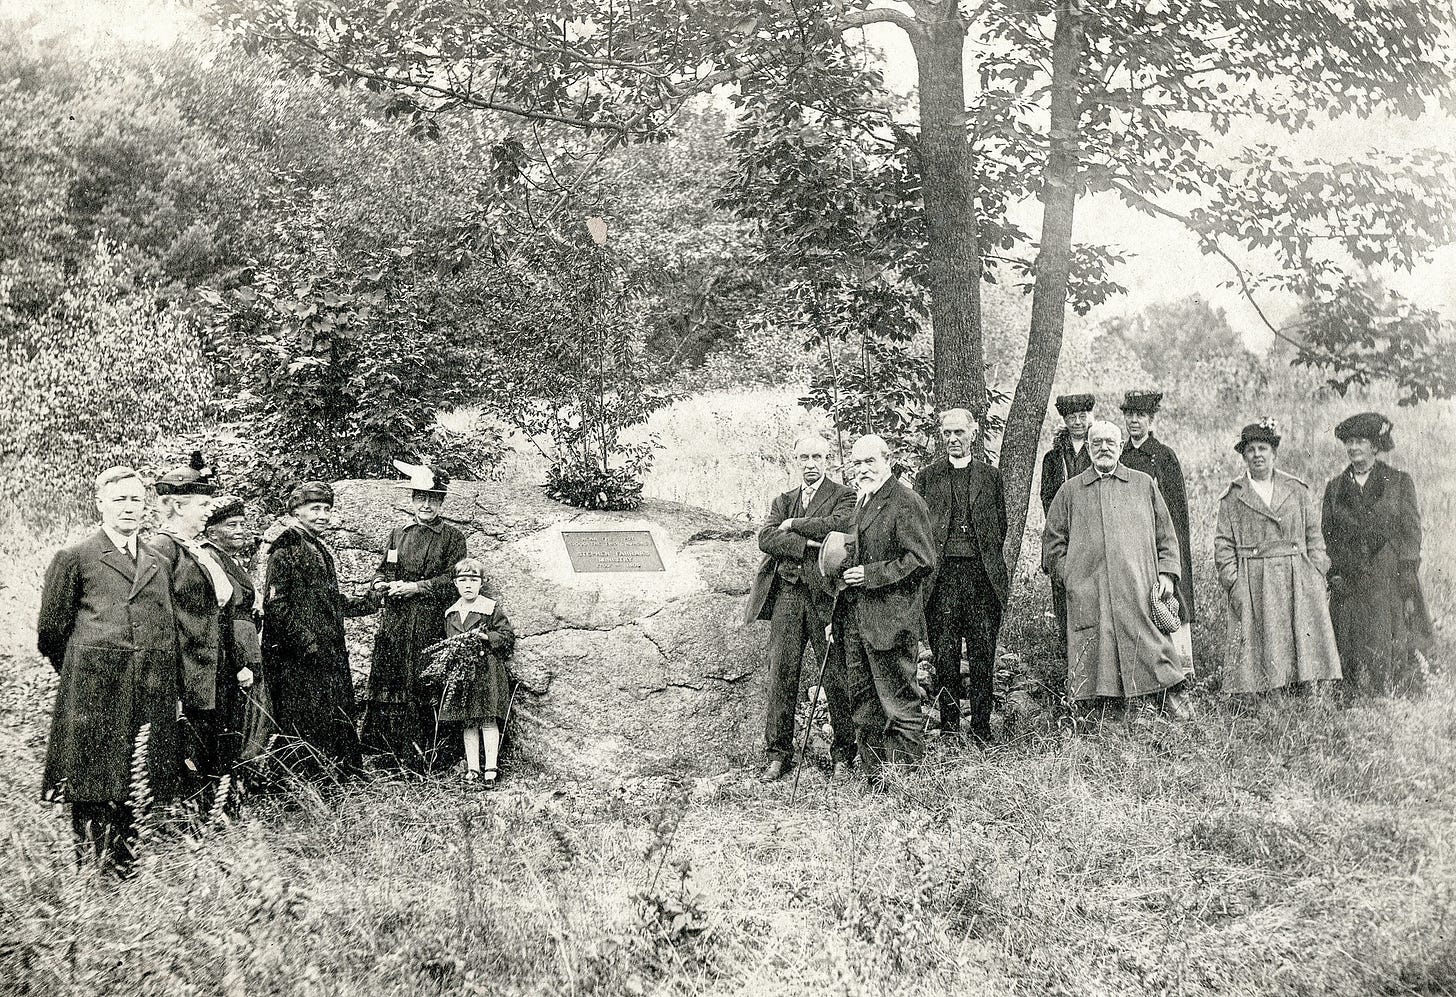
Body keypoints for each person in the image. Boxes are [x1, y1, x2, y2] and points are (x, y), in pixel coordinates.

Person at [37, 466, 183, 874]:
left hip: (147, 685)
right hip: (94, 689)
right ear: (100, 503)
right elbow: (51, 632)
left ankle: (125, 870)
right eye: (119, 500)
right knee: (93, 779)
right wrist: (87, 669)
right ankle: (94, 872)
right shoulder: (76, 557)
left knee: (132, 777)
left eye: (136, 499)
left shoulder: (157, 559)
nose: (129, 508)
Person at [1042, 420, 1191, 718]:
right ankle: (1102, 717)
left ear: (1120, 447)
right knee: (1098, 651)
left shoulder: (1143, 483)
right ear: (1089, 448)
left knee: (1152, 647)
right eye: (1096, 443)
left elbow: (1167, 535)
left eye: (1111, 442)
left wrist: (1166, 574)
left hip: (1137, 588)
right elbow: (1052, 543)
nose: (1104, 448)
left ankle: (1166, 705)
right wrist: (1069, 575)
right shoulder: (1070, 491)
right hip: (1090, 591)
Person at [745, 434, 857, 782]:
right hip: (788, 597)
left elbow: (837, 527)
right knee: (782, 674)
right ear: (796, 461)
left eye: (817, 457)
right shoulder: (783, 499)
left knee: (836, 674)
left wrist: (793, 527)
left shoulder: (845, 495)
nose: (811, 464)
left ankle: (843, 754)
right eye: (804, 457)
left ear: (828, 459)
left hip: (827, 598)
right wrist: (811, 542)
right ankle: (778, 754)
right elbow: (765, 538)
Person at [1213, 420, 1341, 695]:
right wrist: (1234, 581)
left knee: (1301, 637)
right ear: (1244, 455)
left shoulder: (1296, 489)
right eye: (1250, 450)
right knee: (1262, 642)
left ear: (1274, 453)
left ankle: (1306, 692)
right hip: (1254, 577)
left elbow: (1313, 535)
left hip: (1297, 573)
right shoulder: (1233, 497)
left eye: (1263, 448)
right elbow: (1223, 544)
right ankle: (1266, 698)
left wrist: (1317, 571)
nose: (1257, 455)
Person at [836, 434, 935, 778]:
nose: (863, 469)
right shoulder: (863, 502)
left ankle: (905, 781)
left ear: (887, 460)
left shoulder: (905, 501)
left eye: (870, 461)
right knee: (865, 704)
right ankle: (875, 778)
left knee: (899, 704)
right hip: (859, 622)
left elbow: (921, 560)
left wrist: (871, 574)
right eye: (857, 463)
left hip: (892, 621)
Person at [151, 454, 247, 804]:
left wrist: (236, 662)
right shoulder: (163, 549)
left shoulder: (196, 548)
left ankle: (216, 812)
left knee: (215, 742)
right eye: (203, 504)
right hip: (188, 669)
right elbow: (160, 619)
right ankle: (192, 819)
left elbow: (219, 612)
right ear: (176, 505)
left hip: (213, 665)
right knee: (191, 745)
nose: (210, 510)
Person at [359, 461, 468, 766]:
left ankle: (424, 758)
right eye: (421, 498)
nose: (426, 504)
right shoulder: (398, 533)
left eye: (433, 499)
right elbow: (383, 568)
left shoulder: (452, 537)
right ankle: (386, 756)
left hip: (427, 621)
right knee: (391, 679)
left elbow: (452, 580)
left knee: (420, 681)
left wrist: (417, 588)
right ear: (412, 500)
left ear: (441, 502)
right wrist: (381, 584)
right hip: (395, 621)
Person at [261, 481, 373, 773]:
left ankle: (335, 776)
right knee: (303, 718)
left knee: (330, 714)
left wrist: (370, 603)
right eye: (315, 509)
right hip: (297, 656)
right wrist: (308, 643)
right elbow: (275, 605)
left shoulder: (316, 547)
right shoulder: (285, 548)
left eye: (327, 509)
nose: (323, 515)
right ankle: (303, 783)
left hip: (324, 650)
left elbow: (328, 601)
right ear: (297, 512)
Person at [912, 409, 1009, 742]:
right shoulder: (927, 477)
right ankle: (950, 727)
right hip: (941, 582)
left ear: (974, 433)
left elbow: (1000, 528)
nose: (953, 439)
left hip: (981, 580)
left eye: (959, 433)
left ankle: (982, 729)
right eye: (947, 433)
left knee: (983, 656)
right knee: (945, 656)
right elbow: (919, 531)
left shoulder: (990, 476)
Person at [1322, 412, 1432, 697]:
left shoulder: (1398, 482)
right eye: (1349, 442)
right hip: (1351, 577)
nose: (1353, 448)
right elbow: (1329, 535)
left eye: (1360, 441)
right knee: (1350, 640)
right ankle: (1353, 692)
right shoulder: (1335, 489)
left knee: (1391, 638)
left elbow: (1412, 533)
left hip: (1389, 575)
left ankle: (1393, 693)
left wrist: (1407, 571)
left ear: (1375, 446)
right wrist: (1340, 571)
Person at [199, 496, 275, 768]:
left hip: (246, 639)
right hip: (233, 644)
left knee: (252, 710)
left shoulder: (228, 559)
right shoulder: (209, 558)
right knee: (241, 710)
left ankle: (248, 770)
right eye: (232, 525)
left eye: (242, 524)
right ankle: (240, 771)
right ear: (212, 532)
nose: (241, 530)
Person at [435, 559, 517, 787]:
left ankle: (491, 768)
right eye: (463, 580)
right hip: (463, 673)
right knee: (468, 721)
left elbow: (507, 637)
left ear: (481, 583)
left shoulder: (489, 608)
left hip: (486, 670)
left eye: (474, 580)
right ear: (455, 584)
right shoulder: (451, 613)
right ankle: (473, 769)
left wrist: (486, 637)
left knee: (488, 719)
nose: (468, 585)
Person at [1119, 391, 1196, 633]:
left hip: (1158, 545)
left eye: (1140, 415)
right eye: (1129, 415)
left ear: (1151, 421)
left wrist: (1171, 564)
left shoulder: (1164, 457)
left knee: (1165, 608)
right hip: (1129, 546)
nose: (1134, 421)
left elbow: (1176, 514)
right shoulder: (1120, 456)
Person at [1040, 393, 1096, 650]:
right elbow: (1046, 496)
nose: (1077, 422)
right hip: (1062, 537)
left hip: (1092, 535)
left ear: (1089, 418)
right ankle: (1067, 650)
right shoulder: (1053, 458)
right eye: (1072, 418)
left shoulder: (1097, 451)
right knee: (1062, 591)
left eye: (1082, 417)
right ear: (1064, 420)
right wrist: (1061, 525)